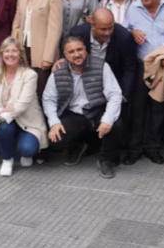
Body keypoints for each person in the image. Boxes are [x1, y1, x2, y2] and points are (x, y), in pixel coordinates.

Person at [43, 36, 125, 179]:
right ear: (65, 54)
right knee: (57, 139)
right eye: (71, 51)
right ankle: (77, 146)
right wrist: (54, 122)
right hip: (74, 114)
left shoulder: (101, 66)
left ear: (85, 49)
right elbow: (48, 99)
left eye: (79, 49)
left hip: (98, 110)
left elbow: (115, 95)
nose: (77, 54)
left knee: (115, 124)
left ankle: (106, 159)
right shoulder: (59, 70)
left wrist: (107, 119)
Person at [124, 0, 164, 166]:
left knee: (158, 109)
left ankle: (153, 148)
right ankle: (135, 149)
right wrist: (131, 32)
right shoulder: (133, 8)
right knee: (138, 110)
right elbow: (123, 31)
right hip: (143, 65)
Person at [0, 38, 47, 177]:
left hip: (28, 121)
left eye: (14, 51)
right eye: (7, 51)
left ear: (21, 54)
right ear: (1, 54)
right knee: (4, 128)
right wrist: (0, 115)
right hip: (6, 121)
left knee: (27, 150)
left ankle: (22, 149)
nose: (10, 54)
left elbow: (21, 105)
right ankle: (7, 159)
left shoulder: (29, 75)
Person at [12, 0, 63, 98]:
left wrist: (48, 57)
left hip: (42, 52)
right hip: (23, 49)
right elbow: (16, 24)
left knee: (40, 91)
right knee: (22, 90)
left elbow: (55, 29)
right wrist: (14, 48)